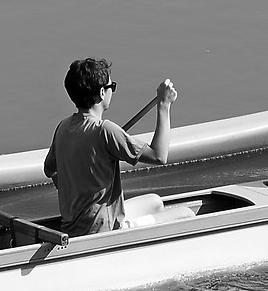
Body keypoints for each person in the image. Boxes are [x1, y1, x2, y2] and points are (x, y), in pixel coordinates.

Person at [44, 59, 176, 235]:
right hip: (104, 230)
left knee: (155, 201)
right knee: (185, 214)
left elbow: (49, 169)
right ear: (101, 92)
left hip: (74, 226)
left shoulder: (63, 127)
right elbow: (159, 156)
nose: (111, 91)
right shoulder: (105, 130)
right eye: (111, 87)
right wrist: (164, 105)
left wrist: (71, 184)